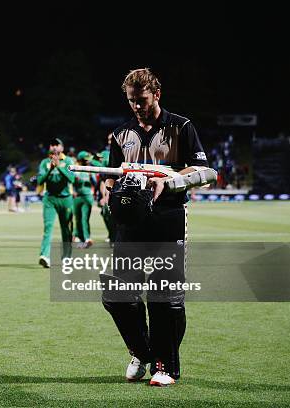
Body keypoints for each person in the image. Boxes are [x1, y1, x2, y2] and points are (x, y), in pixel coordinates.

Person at [102, 68, 209, 386]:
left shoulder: (181, 126)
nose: (137, 107)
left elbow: (202, 169)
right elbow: (112, 173)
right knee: (117, 294)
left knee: (165, 298)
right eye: (132, 101)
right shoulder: (121, 133)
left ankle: (166, 365)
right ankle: (141, 351)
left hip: (168, 218)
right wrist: (109, 189)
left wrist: (171, 179)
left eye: (143, 100)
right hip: (131, 223)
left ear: (157, 95)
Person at [37, 137, 74, 268]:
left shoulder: (68, 161)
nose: (54, 147)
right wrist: (51, 169)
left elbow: (72, 179)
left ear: (62, 148)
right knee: (48, 228)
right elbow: (40, 181)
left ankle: (67, 258)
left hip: (66, 199)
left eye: (57, 145)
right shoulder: (44, 162)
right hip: (50, 199)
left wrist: (59, 167)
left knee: (67, 230)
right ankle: (44, 256)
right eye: (52, 145)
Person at [72, 151, 98, 248]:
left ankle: (87, 238)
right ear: (81, 160)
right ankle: (81, 240)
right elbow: (71, 182)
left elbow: (95, 183)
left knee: (85, 218)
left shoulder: (90, 169)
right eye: (86, 160)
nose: (88, 162)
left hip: (87, 196)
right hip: (77, 197)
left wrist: (91, 176)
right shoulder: (75, 169)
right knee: (77, 219)